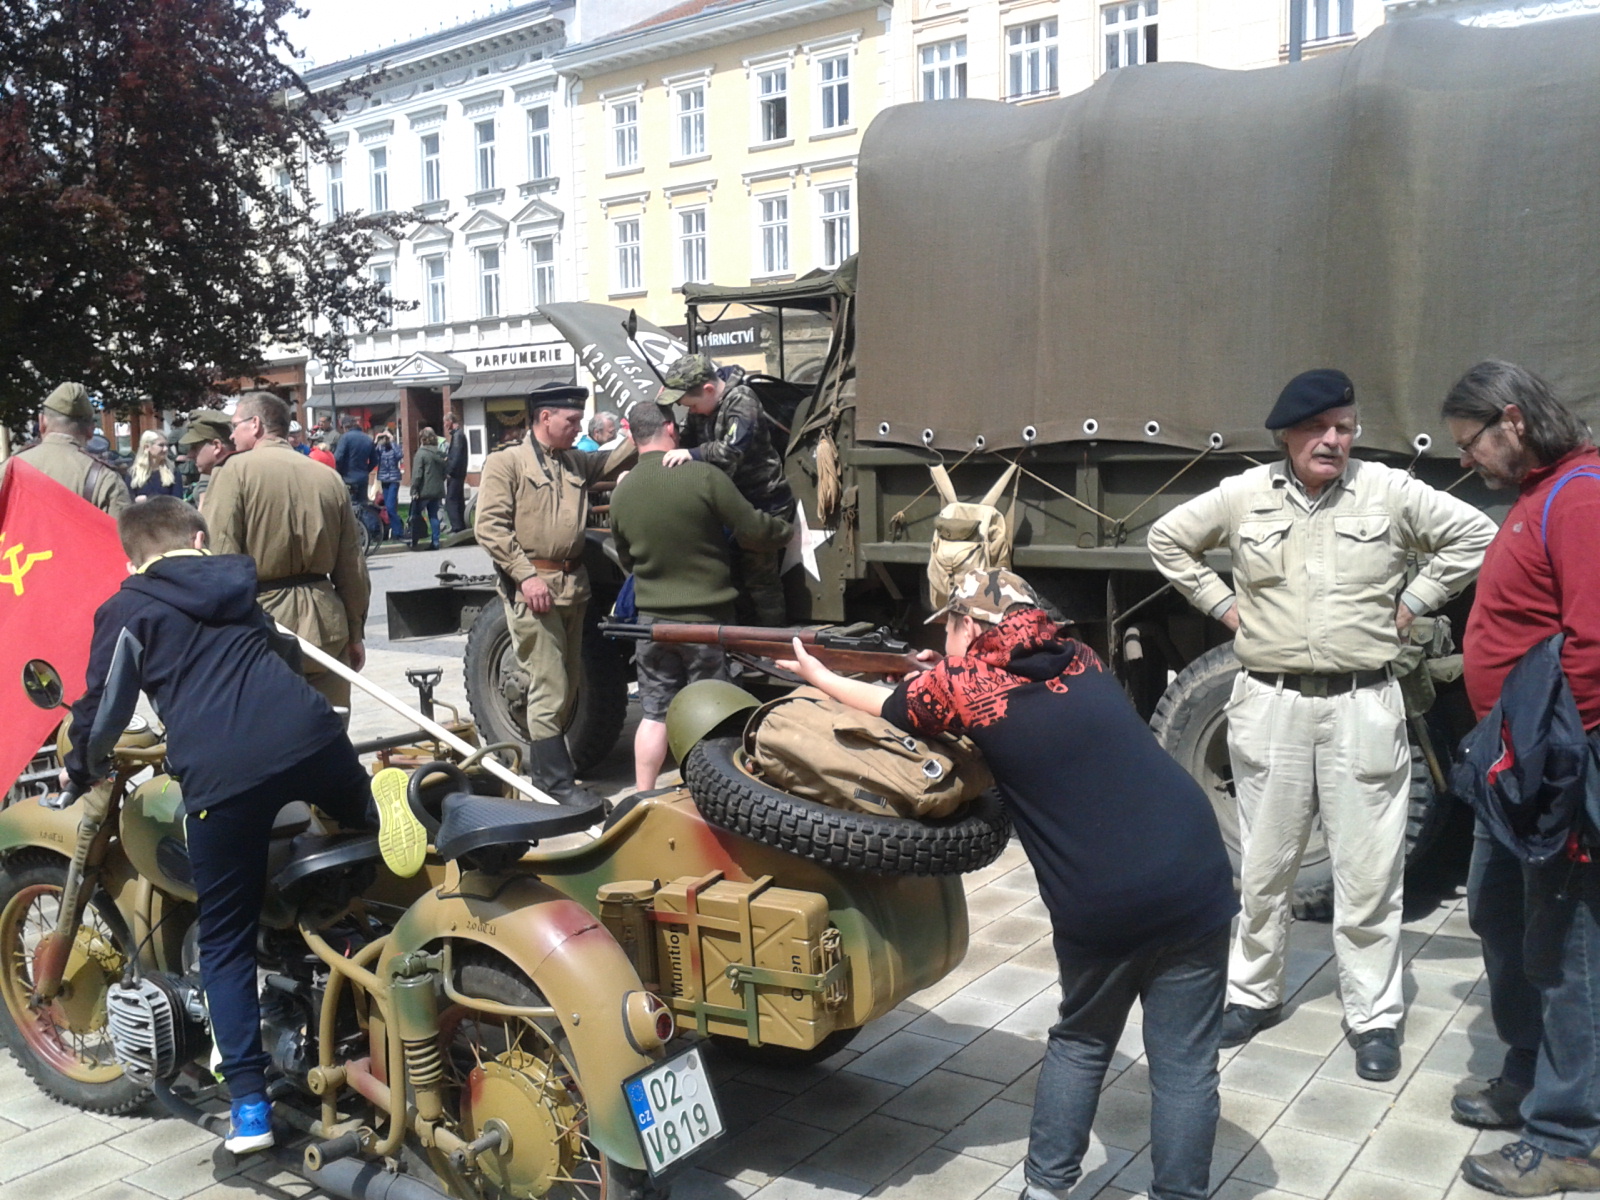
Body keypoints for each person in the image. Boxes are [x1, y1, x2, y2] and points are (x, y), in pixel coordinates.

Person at [780, 568, 1237, 1200]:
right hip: (1199, 870)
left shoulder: (965, 683)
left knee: (1080, 1042)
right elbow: (987, 690)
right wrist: (926, 671)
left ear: (970, 624)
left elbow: (891, 707)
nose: (945, 640)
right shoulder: (1080, 657)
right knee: (1186, 1065)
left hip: (1106, 898)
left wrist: (817, 674)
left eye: (951, 627)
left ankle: (1045, 1191)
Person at [1147, 368, 1497, 1081]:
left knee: (1369, 871)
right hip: (1268, 703)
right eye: (1318, 429)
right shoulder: (1247, 495)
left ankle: (1374, 1016)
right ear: (1288, 435)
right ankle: (1251, 993)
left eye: (1344, 427)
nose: (1333, 440)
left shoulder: (1387, 490)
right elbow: (1167, 541)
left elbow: (1477, 534)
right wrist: (1224, 609)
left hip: (1362, 705)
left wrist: (1415, 601)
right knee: (1265, 864)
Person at [59, 497, 423, 1157]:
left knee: (223, 942)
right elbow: (280, 655)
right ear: (197, 538)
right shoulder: (236, 584)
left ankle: (251, 1109)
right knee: (352, 815)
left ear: (132, 556)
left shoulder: (127, 609)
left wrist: (81, 764)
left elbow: (104, 706)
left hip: (223, 771)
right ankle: (377, 807)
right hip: (310, 732)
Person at [1438, 361, 1600, 1197]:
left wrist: (1554, 765)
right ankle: (1530, 1072)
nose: (1468, 462)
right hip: (1512, 769)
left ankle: (1569, 1134)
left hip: (1549, 771)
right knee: (1497, 912)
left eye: (1472, 445)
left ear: (1512, 420)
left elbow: (1596, 646)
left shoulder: (1579, 496)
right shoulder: (1541, 495)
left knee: (1568, 948)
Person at [609, 403, 793, 790]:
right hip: (706, 624)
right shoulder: (703, 476)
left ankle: (643, 795)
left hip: (651, 626)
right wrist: (785, 531)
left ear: (632, 437)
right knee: (711, 713)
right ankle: (704, 793)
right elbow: (753, 529)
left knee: (654, 714)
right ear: (670, 429)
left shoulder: (622, 492)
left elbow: (626, 557)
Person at [474, 382, 636, 805]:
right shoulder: (507, 463)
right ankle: (554, 784)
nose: (577, 426)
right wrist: (525, 577)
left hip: (572, 586)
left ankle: (554, 770)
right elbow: (489, 527)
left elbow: (612, 462)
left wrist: (641, 431)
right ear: (545, 417)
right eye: (571, 420)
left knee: (570, 681)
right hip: (535, 586)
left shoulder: (574, 461)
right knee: (548, 683)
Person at [203, 392, 370, 715]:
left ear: (255, 425)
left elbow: (219, 561)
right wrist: (355, 632)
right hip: (326, 626)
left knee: (270, 737)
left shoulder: (233, 472)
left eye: (234, 426)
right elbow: (352, 567)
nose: (231, 436)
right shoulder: (327, 477)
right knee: (330, 737)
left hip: (263, 627)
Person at [658, 354, 794, 626]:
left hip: (762, 505)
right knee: (731, 578)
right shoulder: (703, 408)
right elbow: (683, 440)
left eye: (692, 405)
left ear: (709, 390)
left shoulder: (741, 400)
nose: (691, 412)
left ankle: (771, 644)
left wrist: (692, 454)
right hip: (727, 505)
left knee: (760, 580)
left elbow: (731, 451)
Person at [12, 382, 132, 514]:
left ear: (42, 422)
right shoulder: (104, 479)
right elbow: (122, 532)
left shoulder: (9, 469)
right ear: (91, 430)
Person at [176, 409, 235, 510]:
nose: (190, 455)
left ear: (217, 446)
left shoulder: (238, 476)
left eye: (195, 447)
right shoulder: (209, 473)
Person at [409, 427, 447, 551]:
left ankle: (414, 541)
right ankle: (435, 542)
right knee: (434, 516)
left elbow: (417, 474)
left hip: (423, 490)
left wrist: (414, 489)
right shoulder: (440, 453)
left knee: (415, 515)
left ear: (423, 439)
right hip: (437, 490)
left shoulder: (421, 454)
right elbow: (444, 472)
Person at [333, 415, 378, 508]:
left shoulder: (345, 438)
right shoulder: (368, 438)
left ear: (345, 427)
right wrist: (365, 470)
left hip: (348, 479)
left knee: (349, 508)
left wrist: (338, 473)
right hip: (363, 479)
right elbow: (374, 460)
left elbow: (338, 458)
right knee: (363, 507)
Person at [128, 429, 186, 501]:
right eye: (161, 445)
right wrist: (136, 501)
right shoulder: (133, 473)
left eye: (166, 445)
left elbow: (178, 501)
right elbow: (127, 502)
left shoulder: (172, 471)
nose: (165, 449)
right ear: (147, 447)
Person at [374, 429, 404, 541]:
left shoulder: (393, 447)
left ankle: (399, 532)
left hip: (393, 480)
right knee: (388, 507)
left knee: (391, 508)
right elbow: (373, 455)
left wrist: (392, 441)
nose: (385, 439)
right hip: (383, 479)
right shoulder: (380, 448)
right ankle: (394, 532)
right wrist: (376, 441)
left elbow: (400, 455)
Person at [443, 412, 469, 534]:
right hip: (459, 473)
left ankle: (456, 526)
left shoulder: (458, 436)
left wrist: (450, 471)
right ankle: (461, 524)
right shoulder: (458, 434)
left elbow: (456, 456)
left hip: (455, 474)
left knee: (451, 500)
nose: (444, 425)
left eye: (445, 422)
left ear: (451, 421)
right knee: (458, 499)